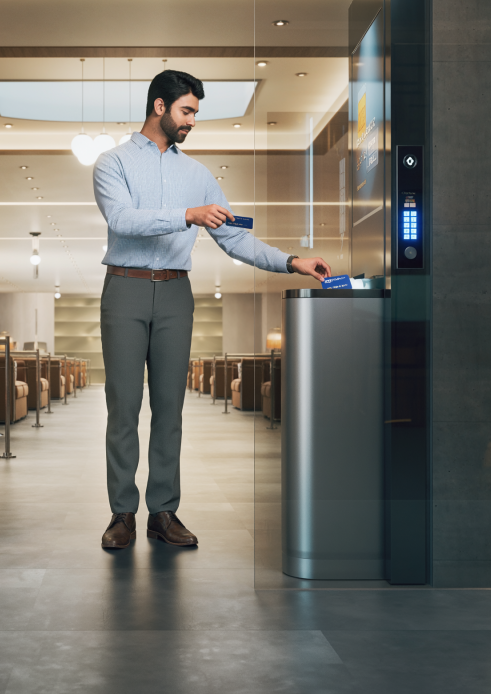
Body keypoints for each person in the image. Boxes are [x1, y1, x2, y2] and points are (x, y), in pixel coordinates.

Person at [92, 70, 330, 550]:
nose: (192, 121)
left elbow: (234, 238)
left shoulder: (198, 176)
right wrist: (187, 215)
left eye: (195, 113)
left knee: (170, 407)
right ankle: (122, 513)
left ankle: (163, 511)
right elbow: (122, 219)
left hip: (176, 294)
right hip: (125, 289)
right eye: (187, 111)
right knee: (123, 406)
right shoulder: (112, 162)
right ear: (159, 107)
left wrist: (292, 261)